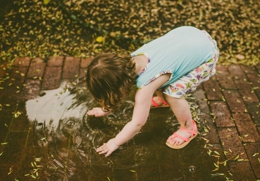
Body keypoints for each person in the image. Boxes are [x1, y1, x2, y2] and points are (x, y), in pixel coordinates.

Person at [86, 26, 219, 156]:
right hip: (190, 35)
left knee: (172, 94)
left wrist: (115, 142)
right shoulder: (132, 60)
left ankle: (188, 128)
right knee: (161, 79)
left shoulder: (145, 88)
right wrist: (106, 108)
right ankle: (162, 100)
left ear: (120, 87)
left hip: (206, 56)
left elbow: (137, 123)